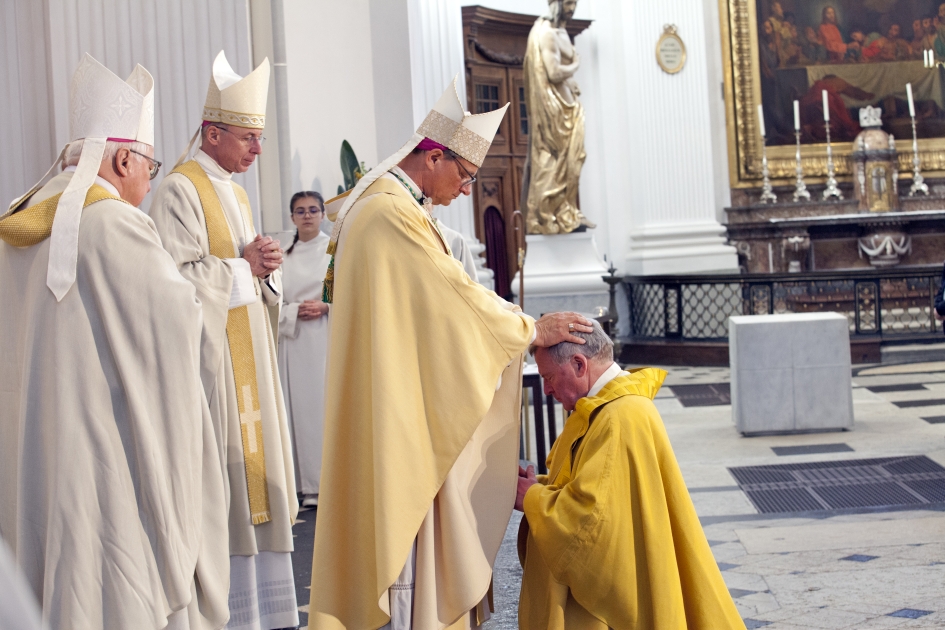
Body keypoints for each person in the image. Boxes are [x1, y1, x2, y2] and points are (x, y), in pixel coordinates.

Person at [308, 76, 595, 630]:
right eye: (463, 176)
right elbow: (452, 298)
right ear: (433, 156)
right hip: (401, 408)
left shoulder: (390, 205)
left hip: (403, 390)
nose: (466, 191)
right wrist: (529, 329)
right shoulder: (392, 212)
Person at [0, 54, 228, 630]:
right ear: (123, 157)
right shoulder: (112, 224)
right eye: (148, 166)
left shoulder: (17, 221)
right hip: (105, 447)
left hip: (32, 444)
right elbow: (179, 324)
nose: (149, 183)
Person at [149, 50, 299, 630]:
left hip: (251, 366)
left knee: (259, 485)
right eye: (247, 139)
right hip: (215, 372)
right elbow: (171, 284)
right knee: (228, 493)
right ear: (212, 133)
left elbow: (249, 277)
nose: (257, 151)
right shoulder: (177, 192)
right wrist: (241, 267)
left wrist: (264, 269)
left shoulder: (235, 195)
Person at [515, 322, 745, 628]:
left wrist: (530, 497)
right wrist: (539, 486)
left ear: (579, 364)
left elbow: (589, 524)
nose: (546, 389)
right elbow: (598, 492)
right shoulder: (616, 405)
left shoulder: (616, 417)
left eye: (548, 377)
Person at [522, 0, 594, 234]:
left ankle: (567, 210)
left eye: (575, 3)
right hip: (555, 113)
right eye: (568, 3)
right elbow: (553, 73)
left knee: (575, 159)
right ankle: (544, 215)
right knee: (553, 160)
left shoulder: (562, 31)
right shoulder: (547, 34)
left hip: (570, 109)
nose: (572, 8)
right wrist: (574, 65)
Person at [278, 191, 331, 508]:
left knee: (324, 409)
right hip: (295, 341)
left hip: (325, 338)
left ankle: (329, 481)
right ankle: (304, 484)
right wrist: (292, 310)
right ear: (292, 217)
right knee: (298, 411)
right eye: (300, 211)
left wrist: (327, 307)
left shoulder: (334, 251)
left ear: (323, 214)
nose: (307, 215)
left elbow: (351, 292)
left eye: (313, 210)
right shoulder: (284, 253)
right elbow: (272, 300)